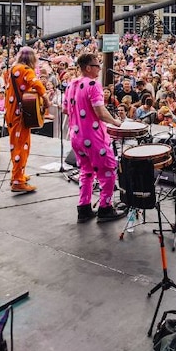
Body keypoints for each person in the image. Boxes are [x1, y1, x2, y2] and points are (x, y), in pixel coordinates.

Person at [65, 53, 126, 223]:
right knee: (108, 170)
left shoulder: (71, 84)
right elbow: (100, 111)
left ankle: (84, 208)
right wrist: (115, 121)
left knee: (86, 171)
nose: (100, 68)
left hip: (76, 137)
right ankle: (105, 208)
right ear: (88, 68)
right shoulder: (93, 84)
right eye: (97, 65)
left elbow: (65, 109)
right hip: (93, 137)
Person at [4, 47, 50, 193]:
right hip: (19, 114)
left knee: (16, 145)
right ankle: (18, 182)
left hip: (10, 111)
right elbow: (37, 84)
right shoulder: (26, 70)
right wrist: (45, 99)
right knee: (21, 146)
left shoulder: (12, 69)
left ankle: (17, 175)